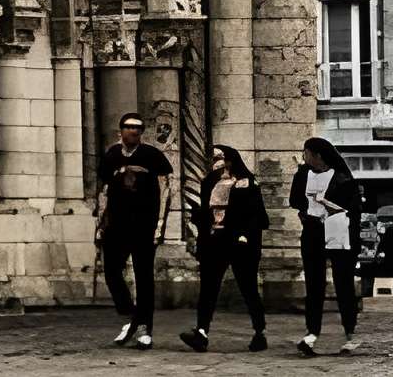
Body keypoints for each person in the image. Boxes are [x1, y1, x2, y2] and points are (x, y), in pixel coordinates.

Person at [181, 142, 270, 352]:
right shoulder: (210, 181)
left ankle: (260, 332)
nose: (214, 163)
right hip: (214, 240)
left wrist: (245, 235)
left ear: (229, 160)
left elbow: (255, 214)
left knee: (248, 288)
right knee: (208, 288)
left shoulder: (247, 182)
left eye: (218, 158)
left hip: (240, 243)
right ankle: (201, 332)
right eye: (212, 159)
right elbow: (204, 209)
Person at [98, 111, 172, 348]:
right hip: (116, 224)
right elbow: (103, 190)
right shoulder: (111, 155)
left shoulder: (152, 155)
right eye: (130, 127)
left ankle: (144, 327)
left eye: (138, 127)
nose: (134, 131)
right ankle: (131, 315)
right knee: (111, 271)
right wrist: (99, 223)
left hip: (143, 224)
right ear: (121, 130)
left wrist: (160, 225)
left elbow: (167, 189)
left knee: (143, 276)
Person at [289, 137, 363, 357]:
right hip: (312, 231)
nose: (304, 156)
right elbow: (295, 200)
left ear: (318, 155)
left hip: (338, 232)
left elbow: (353, 210)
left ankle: (350, 333)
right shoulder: (303, 175)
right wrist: (305, 212)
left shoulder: (342, 178)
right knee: (314, 284)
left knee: (343, 283)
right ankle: (311, 334)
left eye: (307, 152)